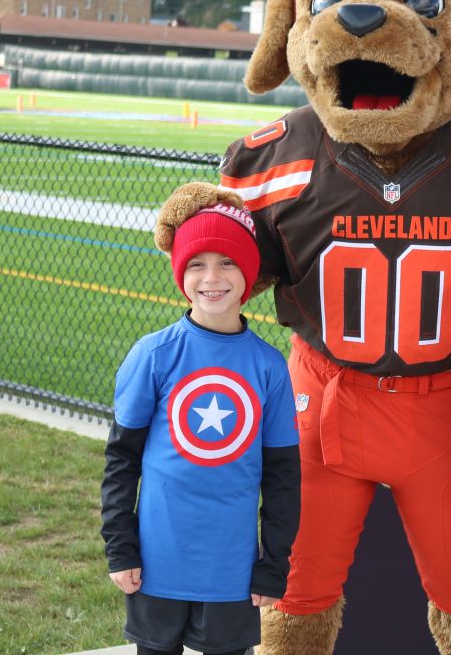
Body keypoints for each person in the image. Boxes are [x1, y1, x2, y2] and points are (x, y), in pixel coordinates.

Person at [101, 191, 301, 655]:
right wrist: (121, 546)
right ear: (180, 274)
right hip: (156, 562)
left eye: (228, 262)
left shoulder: (269, 368)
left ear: (249, 274)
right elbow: (121, 459)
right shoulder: (153, 355)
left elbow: (283, 476)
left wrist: (274, 563)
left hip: (231, 569)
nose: (212, 278)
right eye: (197, 264)